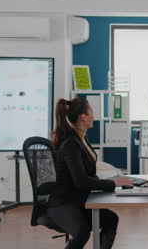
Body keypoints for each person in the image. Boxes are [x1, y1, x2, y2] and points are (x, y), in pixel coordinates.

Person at [48, 98, 134, 249]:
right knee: (82, 233)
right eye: (92, 112)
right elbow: (81, 181)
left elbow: (88, 175)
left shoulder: (81, 138)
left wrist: (112, 182)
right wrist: (112, 183)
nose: (94, 116)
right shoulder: (70, 144)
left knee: (110, 219)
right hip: (64, 203)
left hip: (78, 198)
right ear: (84, 117)